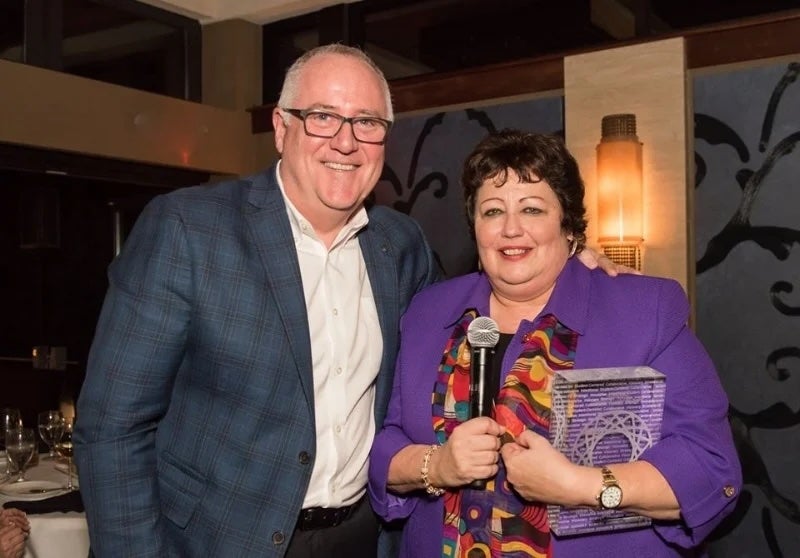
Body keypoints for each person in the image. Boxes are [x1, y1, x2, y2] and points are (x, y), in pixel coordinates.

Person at [74, 46, 625, 557]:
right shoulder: (189, 229)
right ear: (281, 127)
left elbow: (478, 308)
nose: (346, 141)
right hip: (219, 539)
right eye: (322, 116)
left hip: (363, 538)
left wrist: (571, 261)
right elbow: (111, 428)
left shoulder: (400, 244)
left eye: (367, 122)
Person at [368, 129, 742, 557]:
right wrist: (437, 465)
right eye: (492, 211)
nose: (511, 228)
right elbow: (386, 444)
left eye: (532, 209)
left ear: (568, 225)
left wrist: (578, 485)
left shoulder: (642, 311)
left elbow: (711, 469)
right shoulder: (428, 312)